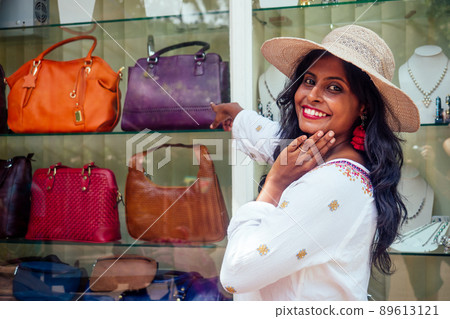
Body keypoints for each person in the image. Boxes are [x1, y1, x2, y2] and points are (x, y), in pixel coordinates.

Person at [209, 25, 420, 301]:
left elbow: (236, 274)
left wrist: (275, 183)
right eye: (309, 81)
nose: (312, 95)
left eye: (334, 87)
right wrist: (237, 117)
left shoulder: (332, 185)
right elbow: (274, 139)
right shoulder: (330, 153)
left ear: (363, 106)